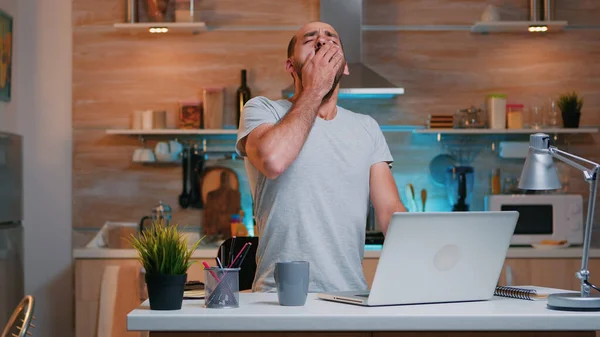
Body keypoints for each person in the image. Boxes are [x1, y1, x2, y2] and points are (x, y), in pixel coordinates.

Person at [235, 21, 406, 293]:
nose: (322, 41)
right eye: (310, 39)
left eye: (331, 38)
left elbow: (390, 212)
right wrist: (314, 87)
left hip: (350, 295)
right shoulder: (263, 110)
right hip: (278, 296)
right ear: (291, 67)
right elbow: (273, 161)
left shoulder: (366, 127)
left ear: (345, 66)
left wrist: (433, 260)